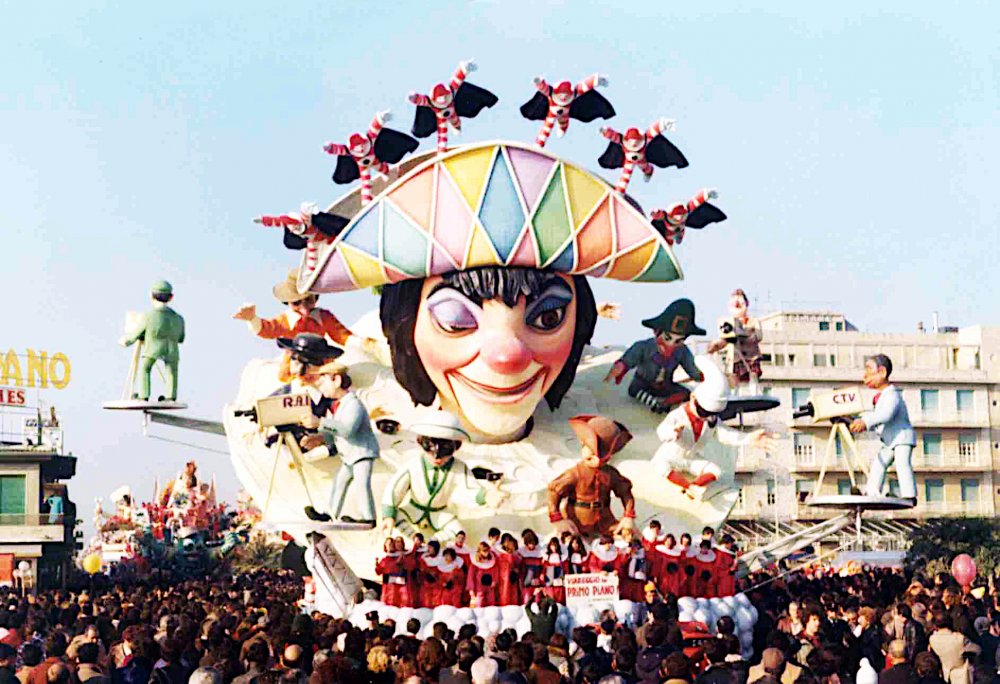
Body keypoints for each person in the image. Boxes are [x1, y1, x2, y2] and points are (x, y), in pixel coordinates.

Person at [653, 356, 774, 501]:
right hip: (672, 456)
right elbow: (662, 430)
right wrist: (672, 433)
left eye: (712, 414)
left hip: (691, 459)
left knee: (716, 471)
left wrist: (748, 439)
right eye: (703, 412)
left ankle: (694, 486)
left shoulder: (711, 420)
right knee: (660, 465)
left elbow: (725, 434)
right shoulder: (679, 415)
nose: (705, 417)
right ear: (693, 398)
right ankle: (686, 486)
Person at [381, 411, 505, 540]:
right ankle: (415, 539)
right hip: (412, 509)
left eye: (445, 451)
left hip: (440, 514)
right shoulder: (413, 464)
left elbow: (468, 490)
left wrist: (485, 496)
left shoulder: (458, 467)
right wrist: (388, 514)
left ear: (457, 446)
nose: (437, 457)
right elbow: (395, 488)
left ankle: (434, 544)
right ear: (420, 441)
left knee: (459, 534)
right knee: (395, 520)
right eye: (429, 448)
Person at [233, 268, 379, 377]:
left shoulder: (323, 317)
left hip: (321, 368)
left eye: (308, 301)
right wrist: (252, 319)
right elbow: (267, 329)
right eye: (297, 303)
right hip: (293, 370)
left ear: (316, 298)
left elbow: (342, 336)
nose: (304, 309)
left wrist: (364, 343)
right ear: (287, 302)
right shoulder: (286, 320)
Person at [297, 363, 380, 525]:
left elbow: (347, 430)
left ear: (336, 380)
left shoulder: (353, 405)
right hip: (350, 455)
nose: (321, 389)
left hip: (362, 454)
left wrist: (319, 422)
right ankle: (330, 513)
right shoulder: (341, 406)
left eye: (322, 383)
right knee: (339, 483)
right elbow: (336, 432)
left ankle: (368, 517)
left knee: (361, 485)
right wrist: (320, 438)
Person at [604, 299, 705, 413]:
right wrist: (621, 367)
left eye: (678, 341)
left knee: (685, 393)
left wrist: (705, 376)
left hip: (665, 386)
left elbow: (692, 369)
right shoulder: (644, 347)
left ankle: (664, 404)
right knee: (635, 389)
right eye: (667, 338)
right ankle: (654, 403)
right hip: (643, 384)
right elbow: (630, 358)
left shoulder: (682, 351)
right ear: (656, 332)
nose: (671, 345)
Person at [547, 415, 636, 538]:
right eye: (592, 452)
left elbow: (625, 492)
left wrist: (628, 516)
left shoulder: (611, 474)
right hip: (576, 521)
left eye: (604, 457)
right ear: (582, 443)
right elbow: (554, 491)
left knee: (630, 537)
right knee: (562, 542)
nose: (597, 460)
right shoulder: (575, 474)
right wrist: (557, 519)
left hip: (605, 520)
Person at [849, 354, 916, 503]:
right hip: (890, 440)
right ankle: (871, 492)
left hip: (901, 438)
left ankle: (909, 495)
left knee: (902, 463)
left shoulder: (892, 395)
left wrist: (865, 422)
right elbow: (875, 415)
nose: (865, 375)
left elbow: (885, 415)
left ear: (882, 372)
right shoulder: (882, 397)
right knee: (879, 463)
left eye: (869, 370)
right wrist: (855, 418)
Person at [119, 280, 185, 402]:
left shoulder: (148, 316)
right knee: (172, 371)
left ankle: (144, 395)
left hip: (153, 348)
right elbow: (181, 338)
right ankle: (171, 396)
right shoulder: (178, 318)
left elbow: (135, 334)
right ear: (171, 297)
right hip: (172, 350)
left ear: (151, 296)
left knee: (145, 368)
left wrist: (125, 341)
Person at [706, 289, 763, 389]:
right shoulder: (729, 323)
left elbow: (758, 336)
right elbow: (724, 339)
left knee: (752, 375)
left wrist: (744, 336)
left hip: (751, 355)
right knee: (734, 377)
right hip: (735, 356)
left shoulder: (753, 321)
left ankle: (754, 391)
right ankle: (734, 393)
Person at [928, 613, 980, 684]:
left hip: (946, 673)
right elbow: (977, 650)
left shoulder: (932, 639)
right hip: (962, 674)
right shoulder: (959, 638)